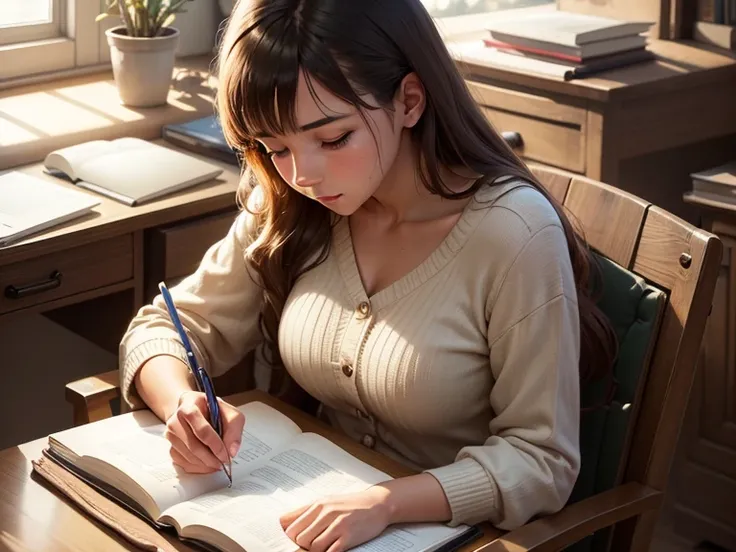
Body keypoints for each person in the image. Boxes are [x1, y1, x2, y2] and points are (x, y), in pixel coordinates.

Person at [120, 0, 617, 550]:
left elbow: (541, 460)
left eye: (333, 139)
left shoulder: (514, 233)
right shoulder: (287, 203)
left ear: (408, 100)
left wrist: (389, 502)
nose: (304, 172)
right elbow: (163, 328)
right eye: (274, 146)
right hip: (306, 519)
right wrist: (179, 404)